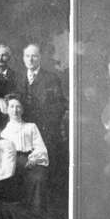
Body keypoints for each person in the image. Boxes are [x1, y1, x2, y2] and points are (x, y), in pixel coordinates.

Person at [17, 43, 66, 177]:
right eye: (27, 56)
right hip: (25, 131)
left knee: (46, 170)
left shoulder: (51, 78)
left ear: (40, 58)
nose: (30, 59)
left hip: (45, 130)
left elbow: (60, 105)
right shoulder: (18, 78)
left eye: (34, 56)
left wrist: (47, 125)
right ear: (23, 58)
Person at [1, 94, 49, 213]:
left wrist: (34, 159)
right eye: (12, 106)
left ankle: (35, 212)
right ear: (7, 109)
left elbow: (40, 147)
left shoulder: (31, 127)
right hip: (11, 161)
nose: (15, 110)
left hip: (29, 159)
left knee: (38, 177)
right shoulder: (3, 131)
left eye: (18, 107)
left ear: (22, 109)